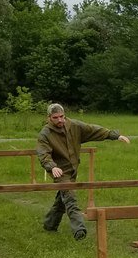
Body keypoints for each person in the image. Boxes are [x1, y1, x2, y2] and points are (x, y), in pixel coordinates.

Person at [35, 102, 131, 240]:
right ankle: (79, 229)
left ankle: (50, 224)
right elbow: (43, 153)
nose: (60, 120)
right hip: (60, 171)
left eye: (62, 116)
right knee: (70, 198)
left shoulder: (73, 125)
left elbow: (93, 130)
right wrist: (52, 166)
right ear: (49, 118)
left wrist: (114, 135)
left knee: (62, 199)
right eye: (55, 117)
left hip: (73, 168)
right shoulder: (45, 134)